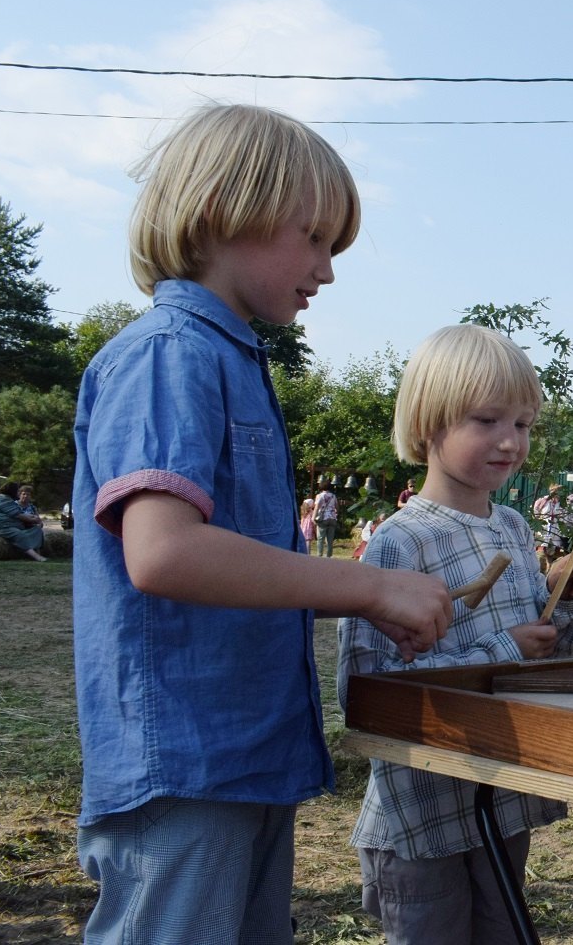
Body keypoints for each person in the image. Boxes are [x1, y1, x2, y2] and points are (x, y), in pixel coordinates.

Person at [72, 102, 453, 944]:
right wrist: (367, 583)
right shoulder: (168, 353)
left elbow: (247, 566)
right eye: (313, 237)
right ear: (222, 213)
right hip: (181, 766)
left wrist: (374, 600)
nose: (326, 269)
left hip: (245, 755)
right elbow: (164, 553)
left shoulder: (236, 359)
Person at [339, 323, 573, 942]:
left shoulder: (510, 527)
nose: (510, 442)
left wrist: (564, 604)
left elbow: (540, 653)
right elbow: (368, 694)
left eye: (524, 424)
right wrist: (507, 647)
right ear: (430, 424)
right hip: (423, 812)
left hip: (501, 797)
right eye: (487, 421)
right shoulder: (400, 542)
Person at [0, 481, 46, 561]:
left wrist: (35, 519)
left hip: (12, 525)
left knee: (36, 530)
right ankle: (36, 556)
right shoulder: (2, 499)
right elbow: (19, 515)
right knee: (18, 534)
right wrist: (34, 519)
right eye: (18, 491)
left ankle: (37, 551)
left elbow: (20, 513)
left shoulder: (7, 499)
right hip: (0, 526)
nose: (18, 493)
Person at [532, 482, 566, 562]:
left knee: (554, 548)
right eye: (556, 491)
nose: (558, 494)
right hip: (544, 527)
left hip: (555, 528)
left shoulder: (561, 503)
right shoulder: (543, 501)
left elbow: (563, 516)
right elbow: (535, 512)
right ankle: (541, 564)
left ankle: (550, 565)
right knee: (542, 546)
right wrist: (538, 521)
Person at [314, 480, 340, 556]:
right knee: (330, 540)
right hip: (332, 518)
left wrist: (313, 518)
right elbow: (337, 508)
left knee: (320, 538)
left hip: (323, 519)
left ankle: (319, 555)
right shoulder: (333, 496)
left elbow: (316, 508)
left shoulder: (319, 496)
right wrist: (335, 514)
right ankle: (328, 556)